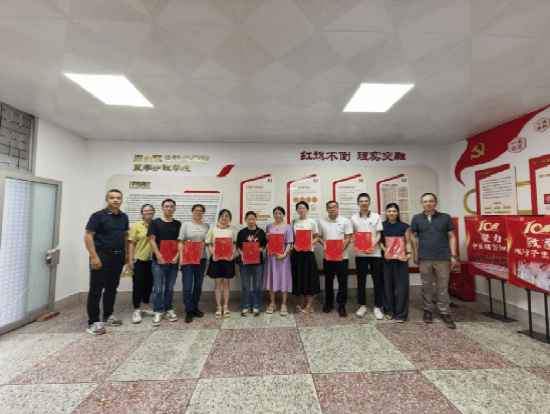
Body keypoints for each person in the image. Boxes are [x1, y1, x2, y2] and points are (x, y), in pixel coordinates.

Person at [84, 189, 129, 335]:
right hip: (101, 256)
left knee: (112, 288)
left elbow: (125, 235)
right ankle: (93, 322)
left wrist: (126, 254)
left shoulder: (124, 217)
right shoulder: (98, 216)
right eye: (112, 198)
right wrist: (94, 257)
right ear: (107, 200)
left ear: (121, 200)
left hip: (118, 257)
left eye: (118, 198)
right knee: (96, 290)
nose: (115, 200)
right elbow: (88, 236)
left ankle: (108, 315)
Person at [410, 193, 458, 329]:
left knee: (443, 287)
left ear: (436, 203)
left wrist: (453, 255)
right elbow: (413, 236)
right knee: (427, 286)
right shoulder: (417, 218)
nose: (428, 204)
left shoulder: (445, 217)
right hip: (424, 257)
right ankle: (428, 310)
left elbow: (452, 236)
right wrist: (415, 253)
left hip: (442, 257)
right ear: (422, 204)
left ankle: (445, 312)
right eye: (425, 202)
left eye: (431, 201)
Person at [350, 193, 384, 320]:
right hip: (360, 254)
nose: (364, 203)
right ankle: (362, 305)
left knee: (377, 280)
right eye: (361, 201)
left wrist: (372, 245)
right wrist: (354, 239)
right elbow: (352, 233)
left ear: (369, 202)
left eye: (366, 201)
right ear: (358, 203)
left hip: (375, 253)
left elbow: (379, 233)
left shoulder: (376, 217)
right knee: (361, 280)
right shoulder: (353, 218)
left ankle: (377, 306)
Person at [148, 199, 182, 326]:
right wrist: (159, 256)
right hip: (158, 261)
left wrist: (177, 256)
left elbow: (180, 242)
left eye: (171, 207)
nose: (169, 208)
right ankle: (158, 310)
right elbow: (152, 240)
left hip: (173, 262)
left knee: (169, 287)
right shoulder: (155, 223)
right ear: (162, 208)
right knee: (158, 288)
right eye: (166, 206)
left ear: (174, 209)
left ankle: (168, 309)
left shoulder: (178, 224)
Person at [318, 201, 353, 317]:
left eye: (334, 207)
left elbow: (348, 237)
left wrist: (341, 248)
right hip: (328, 256)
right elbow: (319, 237)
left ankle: (342, 305)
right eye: (329, 208)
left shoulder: (345, 221)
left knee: (342, 282)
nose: (332, 209)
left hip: (342, 257)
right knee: (328, 281)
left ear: (338, 208)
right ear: (326, 210)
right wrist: (324, 244)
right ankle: (329, 303)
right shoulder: (322, 222)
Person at [379, 203, 412, 323]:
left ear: (398, 213)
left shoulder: (404, 226)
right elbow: (380, 242)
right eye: (389, 211)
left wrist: (409, 254)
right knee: (387, 285)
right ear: (386, 213)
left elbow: (408, 242)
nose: (391, 213)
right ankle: (389, 311)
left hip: (401, 259)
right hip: (387, 259)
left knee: (402, 287)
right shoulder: (382, 225)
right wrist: (385, 251)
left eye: (394, 211)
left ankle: (401, 314)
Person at [178, 204, 210, 324]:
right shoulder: (185, 225)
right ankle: (189, 310)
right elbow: (180, 242)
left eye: (201, 211)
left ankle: (195, 307)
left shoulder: (206, 226)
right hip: (188, 259)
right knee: (187, 286)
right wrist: (181, 257)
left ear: (203, 213)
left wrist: (205, 244)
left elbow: (208, 241)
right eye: (196, 210)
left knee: (198, 285)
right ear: (192, 212)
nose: (198, 212)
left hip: (201, 259)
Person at [205, 209, 238, 318]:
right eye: (222, 215)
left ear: (230, 218)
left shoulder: (233, 229)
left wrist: (232, 254)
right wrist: (213, 253)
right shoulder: (213, 229)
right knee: (218, 283)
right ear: (219, 217)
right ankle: (219, 307)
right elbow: (209, 243)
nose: (224, 217)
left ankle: (226, 306)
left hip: (228, 260)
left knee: (226, 283)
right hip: (216, 260)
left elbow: (234, 243)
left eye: (227, 216)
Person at [263, 206, 294, 316]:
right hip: (271, 258)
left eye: (280, 213)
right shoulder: (269, 227)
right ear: (273, 214)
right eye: (276, 213)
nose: (278, 215)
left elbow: (289, 243)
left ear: (283, 215)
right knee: (272, 278)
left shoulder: (288, 227)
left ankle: (283, 304)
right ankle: (272, 303)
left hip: (283, 257)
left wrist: (284, 254)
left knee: (284, 279)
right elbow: (268, 242)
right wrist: (267, 238)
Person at [290, 201, 320, 315]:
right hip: (297, 254)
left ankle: (309, 305)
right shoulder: (293, 222)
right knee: (300, 279)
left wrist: (309, 243)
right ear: (297, 210)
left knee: (310, 279)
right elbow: (291, 238)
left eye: (303, 208)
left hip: (308, 253)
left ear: (307, 209)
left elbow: (317, 237)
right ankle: (303, 302)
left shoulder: (312, 222)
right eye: (299, 208)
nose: (301, 210)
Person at [128, 204, 155, 324]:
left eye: (150, 210)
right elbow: (131, 243)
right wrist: (130, 260)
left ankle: (145, 306)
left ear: (153, 212)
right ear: (142, 213)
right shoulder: (136, 226)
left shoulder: (156, 225)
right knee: (138, 285)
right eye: (145, 210)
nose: (148, 212)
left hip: (153, 261)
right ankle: (136, 310)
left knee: (149, 284)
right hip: (139, 260)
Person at [236, 211, 267, 317]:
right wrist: (242, 253)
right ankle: (246, 306)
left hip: (258, 262)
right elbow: (238, 247)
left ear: (256, 220)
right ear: (245, 220)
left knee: (257, 285)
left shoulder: (261, 232)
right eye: (249, 219)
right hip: (244, 262)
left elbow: (264, 244)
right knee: (245, 285)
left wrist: (261, 248)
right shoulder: (242, 232)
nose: (251, 221)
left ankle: (256, 306)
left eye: (253, 219)